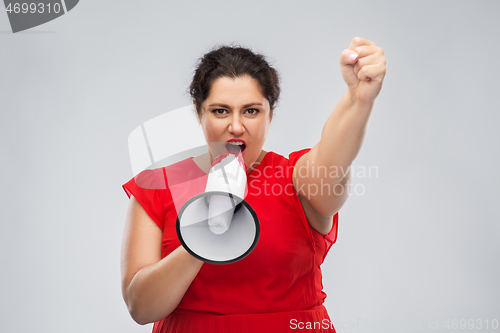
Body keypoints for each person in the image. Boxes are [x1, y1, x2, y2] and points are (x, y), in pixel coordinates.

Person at [121, 37, 386, 332]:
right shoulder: (156, 187)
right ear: (198, 112)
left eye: (251, 111)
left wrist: (358, 100)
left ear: (270, 112)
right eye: (220, 111)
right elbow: (141, 307)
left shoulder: (296, 180)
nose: (236, 126)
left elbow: (332, 159)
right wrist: (204, 239)